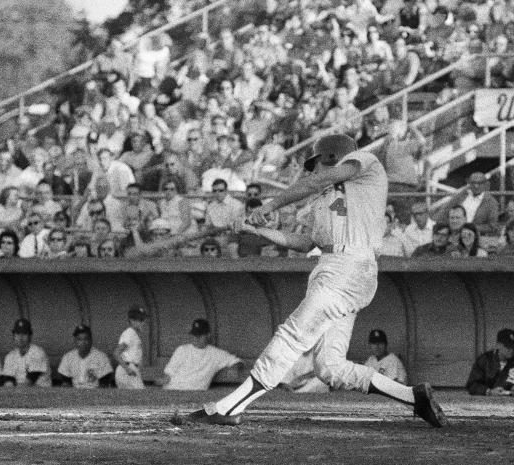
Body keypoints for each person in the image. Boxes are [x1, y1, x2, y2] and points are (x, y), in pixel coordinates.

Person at [187, 134, 445, 428]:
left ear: (334, 156)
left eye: (318, 163)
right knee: (330, 367)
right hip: (331, 266)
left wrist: (268, 207)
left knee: (292, 334)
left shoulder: (367, 165)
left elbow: (311, 183)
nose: (313, 170)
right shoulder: (323, 199)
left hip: (349, 265)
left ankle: (230, 406)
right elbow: (304, 242)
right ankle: (414, 397)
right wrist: (257, 231)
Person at [158, 319, 244, 391]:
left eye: (200, 335)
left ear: (208, 335)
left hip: (196, 394)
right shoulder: (182, 349)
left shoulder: (216, 354)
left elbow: (237, 361)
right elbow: (168, 374)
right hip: (173, 389)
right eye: (194, 335)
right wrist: (159, 381)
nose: (196, 338)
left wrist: (234, 368)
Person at [465, 329, 514, 397]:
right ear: (498, 345)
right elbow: (472, 385)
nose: (511, 350)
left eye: (513, 347)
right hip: (485, 404)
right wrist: (489, 392)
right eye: (508, 346)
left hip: (513, 405)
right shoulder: (485, 359)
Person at [0, 319, 51, 387]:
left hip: (42, 393)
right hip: (20, 393)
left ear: (30, 336)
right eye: (18, 333)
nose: (20, 337)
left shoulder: (38, 352)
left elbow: (29, 382)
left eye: (24, 334)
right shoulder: (10, 356)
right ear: (14, 336)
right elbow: (8, 379)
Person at [114, 305, 148, 389]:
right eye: (140, 320)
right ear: (131, 320)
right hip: (127, 368)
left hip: (131, 368)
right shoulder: (130, 333)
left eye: (143, 320)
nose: (142, 323)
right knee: (142, 397)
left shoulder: (135, 333)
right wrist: (127, 369)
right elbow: (116, 353)